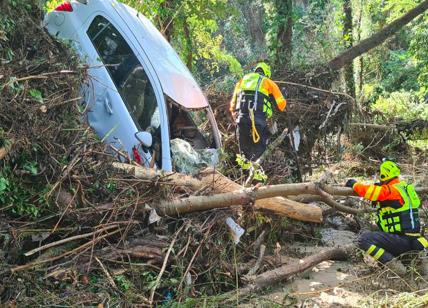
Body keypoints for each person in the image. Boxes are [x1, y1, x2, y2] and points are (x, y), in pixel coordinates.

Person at [345, 160, 428, 275]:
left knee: (364, 239)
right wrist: (380, 200)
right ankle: (411, 262)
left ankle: (394, 265)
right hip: (415, 240)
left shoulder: (391, 191)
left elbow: (368, 191)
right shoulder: (407, 189)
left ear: (384, 175)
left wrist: (354, 184)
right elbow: (395, 202)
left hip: (401, 241)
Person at [229, 62, 286, 161]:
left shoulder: (243, 79)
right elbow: (281, 103)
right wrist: (282, 106)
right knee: (260, 146)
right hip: (258, 119)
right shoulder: (267, 81)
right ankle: (255, 167)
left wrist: (233, 112)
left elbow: (233, 100)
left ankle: (246, 168)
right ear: (266, 73)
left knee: (243, 148)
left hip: (241, 118)